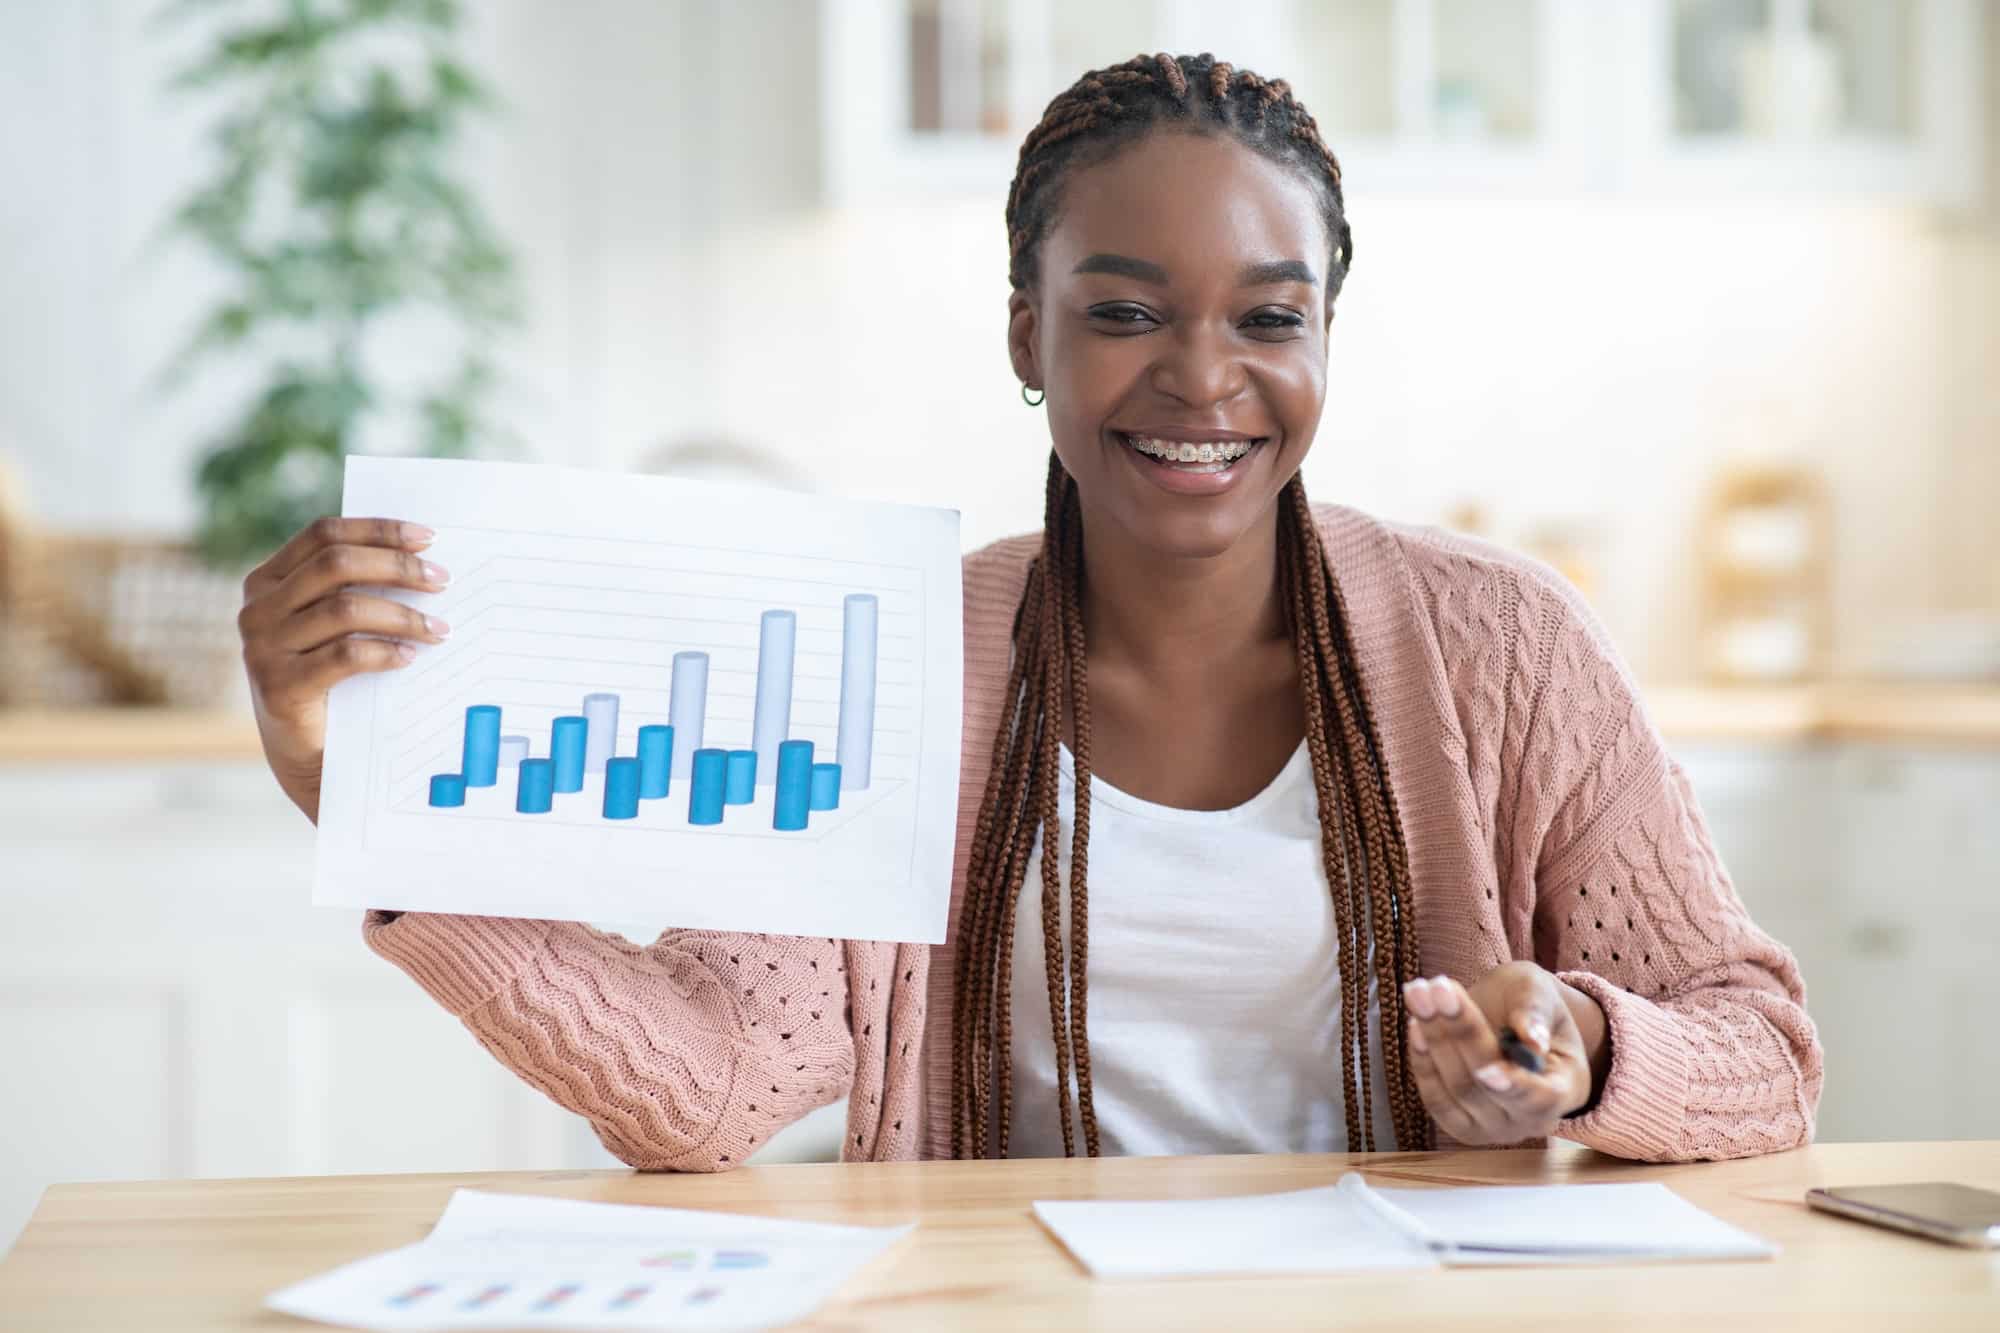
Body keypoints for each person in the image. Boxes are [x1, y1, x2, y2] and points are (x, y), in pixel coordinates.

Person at [235, 54, 1820, 1167]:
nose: (1203, 379)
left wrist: (1582, 1052)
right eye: (1122, 311)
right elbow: (707, 1087)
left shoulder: (1506, 642)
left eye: (1269, 318)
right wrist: (361, 802)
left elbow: (1761, 1049)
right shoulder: (896, 653)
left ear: (1326, 333)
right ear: (1024, 332)